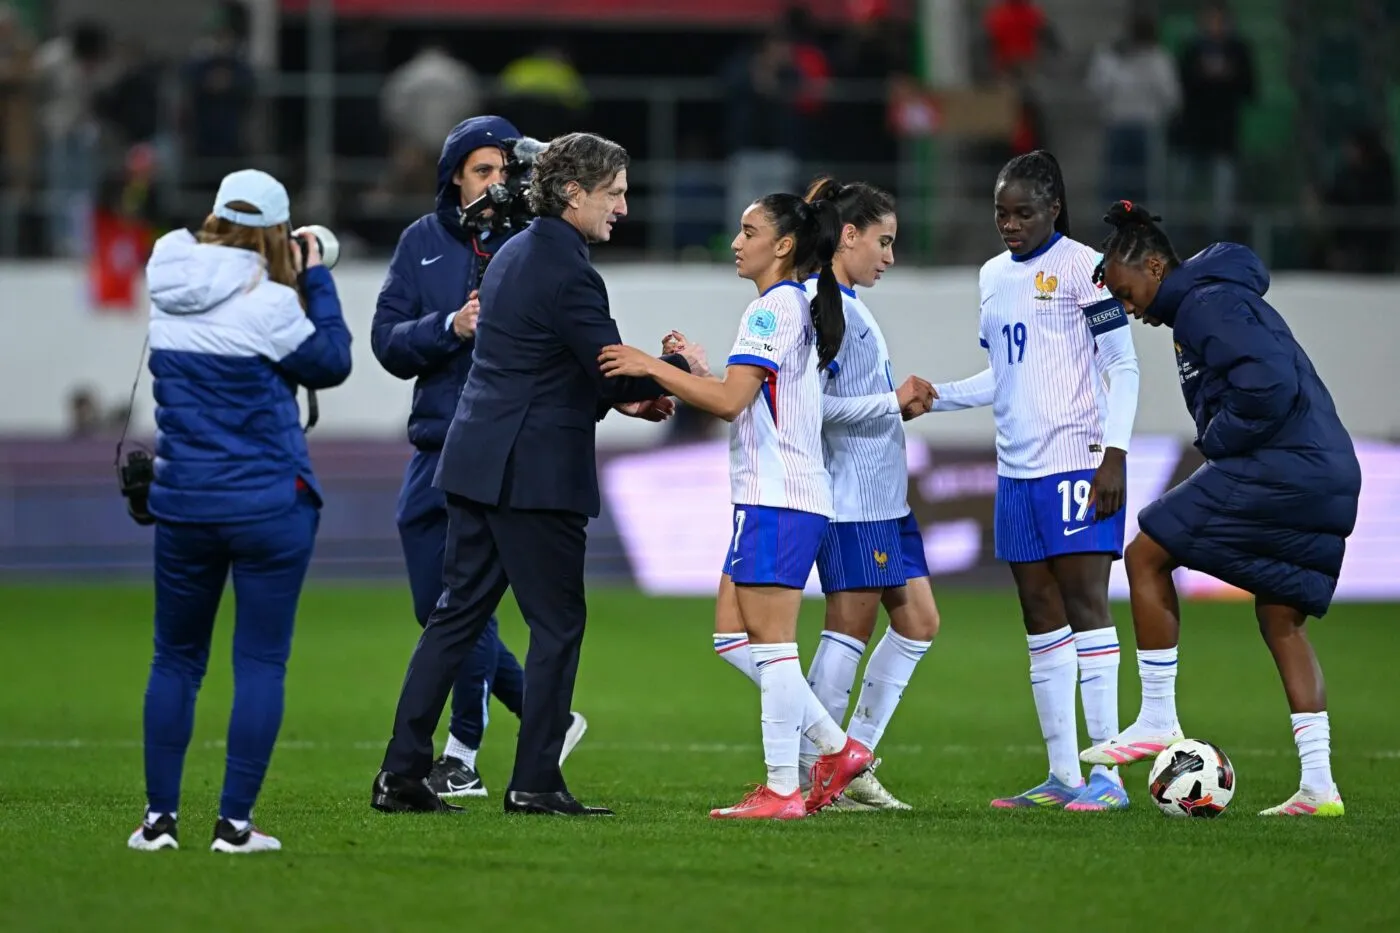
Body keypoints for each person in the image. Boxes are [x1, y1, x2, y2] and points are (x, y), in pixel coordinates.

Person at [372, 132, 690, 817]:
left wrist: (623, 396)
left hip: (476, 460)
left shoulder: (512, 254)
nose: (623, 208)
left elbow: (542, 368)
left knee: (455, 618)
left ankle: (400, 773)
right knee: (557, 624)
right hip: (534, 474)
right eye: (614, 193)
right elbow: (607, 367)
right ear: (573, 193)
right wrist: (676, 371)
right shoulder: (569, 270)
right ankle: (536, 781)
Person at [599, 193, 875, 820]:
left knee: (773, 646)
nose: (735, 241)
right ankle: (837, 749)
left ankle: (782, 790)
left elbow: (728, 402)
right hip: (775, 496)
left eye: (749, 231)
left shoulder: (772, 309)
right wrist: (697, 371)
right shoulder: (794, 304)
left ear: (783, 246)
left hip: (779, 497)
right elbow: (743, 398)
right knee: (732, 636)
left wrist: (651, 367)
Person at [1081, 201, 1360, 818]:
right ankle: (1319, 786)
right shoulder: (1210, 295)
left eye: (1127, 293)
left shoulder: (1206, 305)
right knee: (1281, 616)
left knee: (1146, 552)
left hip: (1287, 468)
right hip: (1326, 469)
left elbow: (1270, 386)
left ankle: (1158, 716)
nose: (1129, 308)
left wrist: (1215, 440)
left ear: (1156, 267)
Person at [128, 169, 353, 853]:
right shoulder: (269, 302)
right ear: (277, 231)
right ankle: (233, 826)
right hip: (268, 504)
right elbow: (332, 362)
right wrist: (316, 277)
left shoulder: (168, 281)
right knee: (259, 663)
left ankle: (158, 822)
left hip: (185, 503)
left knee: (175, 660)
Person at [702, 176, 938, 812]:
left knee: (915, 623)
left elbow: (781, 399)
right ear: (848, 236)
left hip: (854, 492)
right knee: (802, 634)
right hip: (844, 491)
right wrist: (890, 403)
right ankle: (824, 767)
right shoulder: (811, 304)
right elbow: (805, 405)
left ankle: (825, 764)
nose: (890, 256)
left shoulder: (818, 304)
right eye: (883, 242)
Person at [371, 114, 586, 800]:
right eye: (480, 170)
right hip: (438, 444)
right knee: (447, 608)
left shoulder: (531, 243)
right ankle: (536, 715)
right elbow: (385, 341)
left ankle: (460, 751)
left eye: (503, 170)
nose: (495, 182)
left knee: (465, 608)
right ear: (454, 178)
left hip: (507, 454)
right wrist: (449, 326)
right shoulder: (422, 242)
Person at [929, 150, 1140, 811]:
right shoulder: (992, 276)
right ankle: (1063, 775)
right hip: (1016, 471)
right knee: (1039, 615)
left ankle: (1108, 775)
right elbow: (1004, 374)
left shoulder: (1085, 268)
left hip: (1078, 460)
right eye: (1001, 213)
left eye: (1023, 213)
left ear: (1054, 208)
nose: (1010, 224)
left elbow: (1123, 365)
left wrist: (1114, 454)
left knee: (1086, 605)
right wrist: (936, 396)